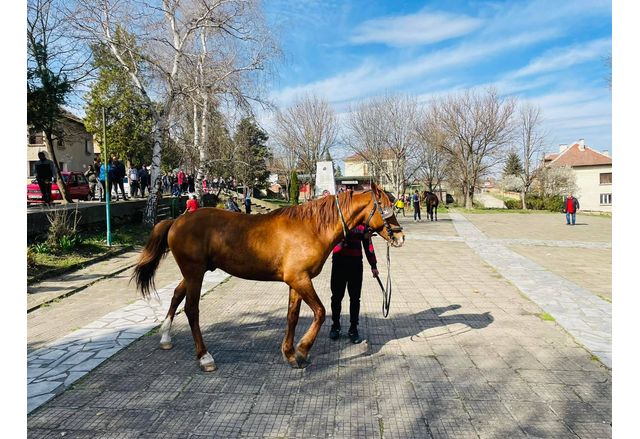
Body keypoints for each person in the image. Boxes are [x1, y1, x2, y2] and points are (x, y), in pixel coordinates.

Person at [329, 224, 379, 344]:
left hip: (356, 264)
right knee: (336, 297)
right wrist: (361, 234)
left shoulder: (363, 224)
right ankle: (335, 325)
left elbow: (368, 245)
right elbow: (335, 236)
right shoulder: (339, 219)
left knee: (355, 298)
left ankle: (353, 328)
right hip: (339, 261)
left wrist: (373, 265)